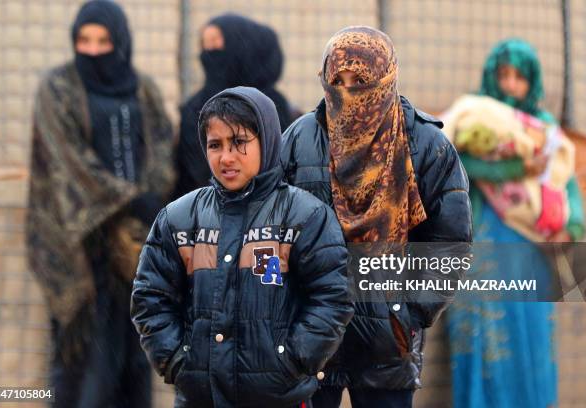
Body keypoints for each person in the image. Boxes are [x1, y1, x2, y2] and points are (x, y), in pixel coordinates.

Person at [281, 26, 472, 408]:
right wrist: (278, 309)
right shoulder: (300, 139)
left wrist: (407, 313)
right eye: (338, 80)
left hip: (389, 340)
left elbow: (450, 244)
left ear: (385, 79)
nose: (348, 91)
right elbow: (271, 232)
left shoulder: (426, 144)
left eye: (361, 81)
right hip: (313, 334)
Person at [131, 87, 354, 407]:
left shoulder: (305, 216)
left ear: (266, 139)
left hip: (280, 398)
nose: (226, 157)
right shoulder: (179, 219)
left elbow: (333, 298)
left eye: (239, 142)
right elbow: (150, 297)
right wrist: (178, 361)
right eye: (215, 145)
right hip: (199, 398)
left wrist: (292, 361)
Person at [26, 1, 174, 406]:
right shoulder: (58, 88)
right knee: (85, 366)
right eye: (83, 40)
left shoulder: (143, 88)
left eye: (103, 40)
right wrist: (130, 199)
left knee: (135, 358)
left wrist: (149, 200)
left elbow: (163, 145)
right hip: (81, 247)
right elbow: (67, 162)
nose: (92, 50)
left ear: (121, 41)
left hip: (136, 247)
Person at [445, 38, 586, 408]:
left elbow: (566, 183)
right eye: (503, 75)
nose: (510, 85)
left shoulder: (544, 130)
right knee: (486, 341)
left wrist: (570, 230)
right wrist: (516, 168)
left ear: (532, 82)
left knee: (530, 343)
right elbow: (461, 165)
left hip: (532, 253)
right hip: (485, 249)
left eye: (519, 78)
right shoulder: (475, 119)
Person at [173, 13, 295, 198]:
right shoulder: (196, 108)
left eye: (216, 43)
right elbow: (191, 175)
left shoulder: (272, 106)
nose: (209, 52)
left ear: (241, 48)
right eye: (205, 45)